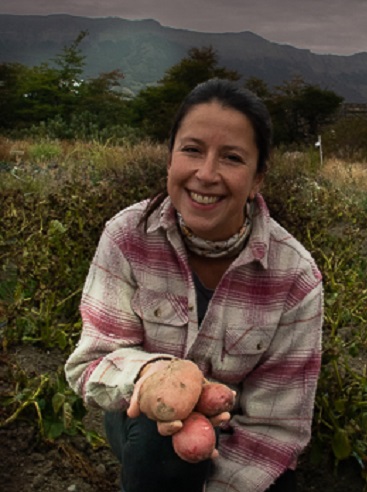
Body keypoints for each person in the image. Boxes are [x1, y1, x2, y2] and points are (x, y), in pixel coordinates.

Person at [65, 78, 324, 492]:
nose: (206, 174)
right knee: (162, 441)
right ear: (170, 159)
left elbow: (277, 427)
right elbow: (93, 360)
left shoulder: (295, 276)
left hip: (240, 439)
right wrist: (150, 377)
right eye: (191, 150)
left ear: (258, 178)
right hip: (141, 424)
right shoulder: (127, 237)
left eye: (232, 158)